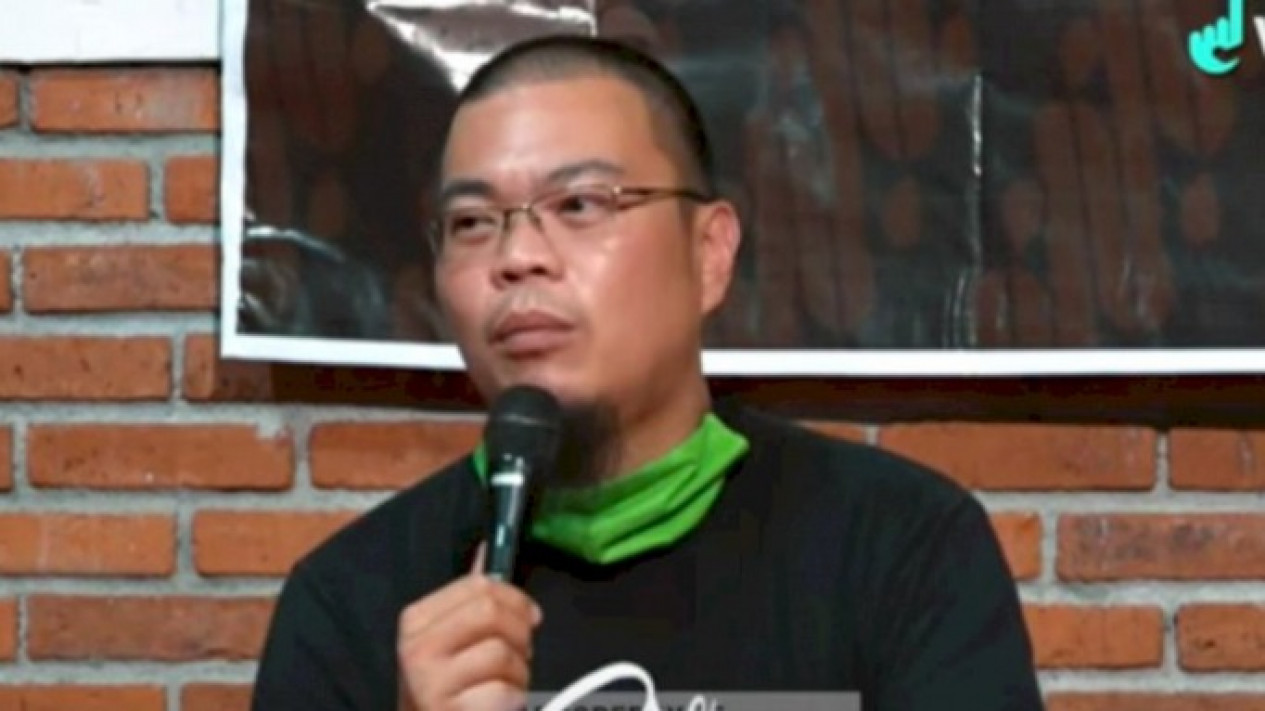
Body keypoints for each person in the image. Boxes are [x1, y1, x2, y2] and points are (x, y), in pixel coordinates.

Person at [250, 34, 1044, 711]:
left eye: (579, 204)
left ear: (709, 254)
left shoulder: (899, 547)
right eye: (471, 222)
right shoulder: (351, 600)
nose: (517, 255)